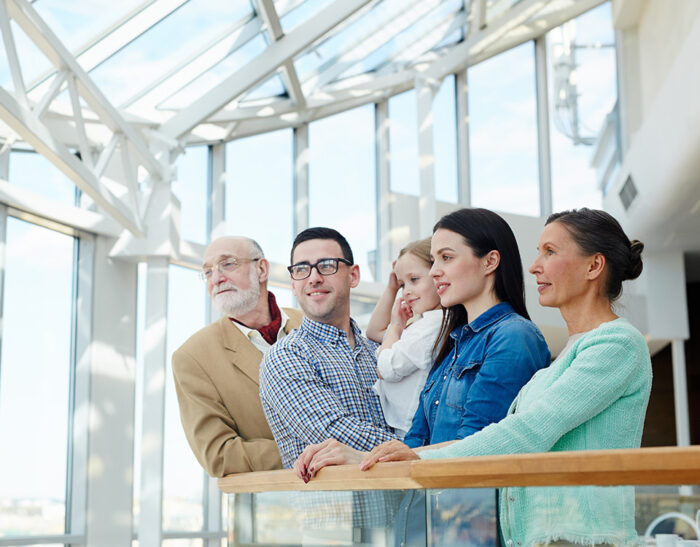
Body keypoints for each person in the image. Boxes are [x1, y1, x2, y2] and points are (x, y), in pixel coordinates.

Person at [304, 209, 652, 547]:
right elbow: (433, 440)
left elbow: (526, 432)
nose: (535, 266)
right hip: (533, 534)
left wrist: (416, 459)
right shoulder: (552, 358)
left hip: (578, 537)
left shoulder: (617, 344)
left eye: (550, 252)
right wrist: (364, 457)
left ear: (594, 265)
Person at [259, 227, 396, 469]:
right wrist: (420, 450)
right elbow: (334, 432)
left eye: (327, 265)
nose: (313, 278)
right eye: (302, 269)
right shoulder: (286, 355)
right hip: (333, 505)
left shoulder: (377, 351)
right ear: (293, 284)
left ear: (353, 276)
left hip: (411, 501)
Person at [171, 236, 302, 477]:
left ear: (261, 269)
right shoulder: (192, 357)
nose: (217, 278)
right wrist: (310, 454)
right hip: (274, 506)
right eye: (208, 272)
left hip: (361, 488)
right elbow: (219, 455)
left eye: (228, 264)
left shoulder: (311, 324)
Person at [365, 238, 443, 439]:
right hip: (401, 426)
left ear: (438, 274)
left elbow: (385, 368)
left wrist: (397, 326)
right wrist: (392, 288)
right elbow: (374, 332)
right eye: (402, 284)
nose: (406, 291)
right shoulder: (424, 323)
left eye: (414, 279)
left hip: (408, 430)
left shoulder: (431, 326)